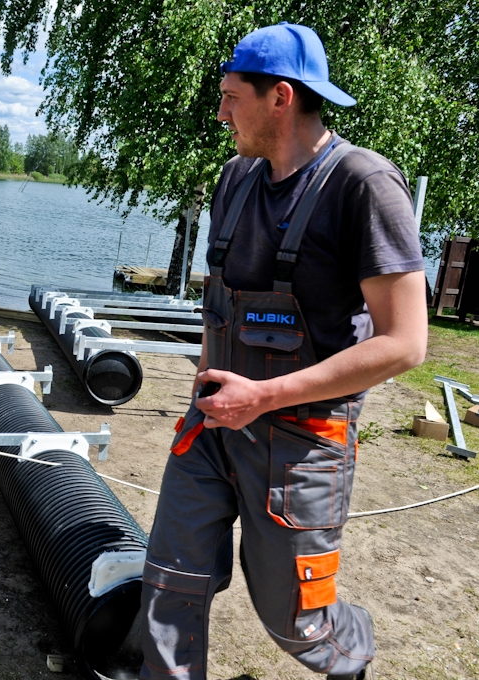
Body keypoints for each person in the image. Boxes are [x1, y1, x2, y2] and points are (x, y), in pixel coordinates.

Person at [137, 23, 428, 680]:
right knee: (168, 587)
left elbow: (406, 343)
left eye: (230, 96)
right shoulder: (235, 179)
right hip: (211, 428)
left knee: (294, 623)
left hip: (300, 447)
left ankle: (348, 653)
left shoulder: (364, 185)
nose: (220, 113)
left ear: (281, 98)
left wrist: (263, 395)